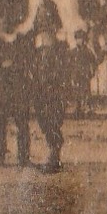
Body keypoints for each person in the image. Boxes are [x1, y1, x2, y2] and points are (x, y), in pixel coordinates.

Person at [0, 27, 34, 168]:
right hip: (2, 88)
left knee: (22, 122)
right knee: (0, 123)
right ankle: (0, 157)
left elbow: (27, 61)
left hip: (18, 88)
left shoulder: (21, 39)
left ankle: (23, 157)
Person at [33, 33, 72, 173]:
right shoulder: (38, 55)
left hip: (53, 94)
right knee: (45, 122)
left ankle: (54, 155)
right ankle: (53, 153)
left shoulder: (57, 56)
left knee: (52, 122)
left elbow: (61, 75)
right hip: (42, 94)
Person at [69, 27, 100, 118]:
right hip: (76, 74)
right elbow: (70, 63)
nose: (79, 41)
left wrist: (92, 71)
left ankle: (88, 108)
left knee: (86, 91)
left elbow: (93, 61)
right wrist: (72, 74)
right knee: (76, 92)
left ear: (84, 40)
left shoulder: (87, 51)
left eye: (81, 38)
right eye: (78, 38)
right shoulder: (73, 51)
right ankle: (77, 108)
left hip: (85, 74)